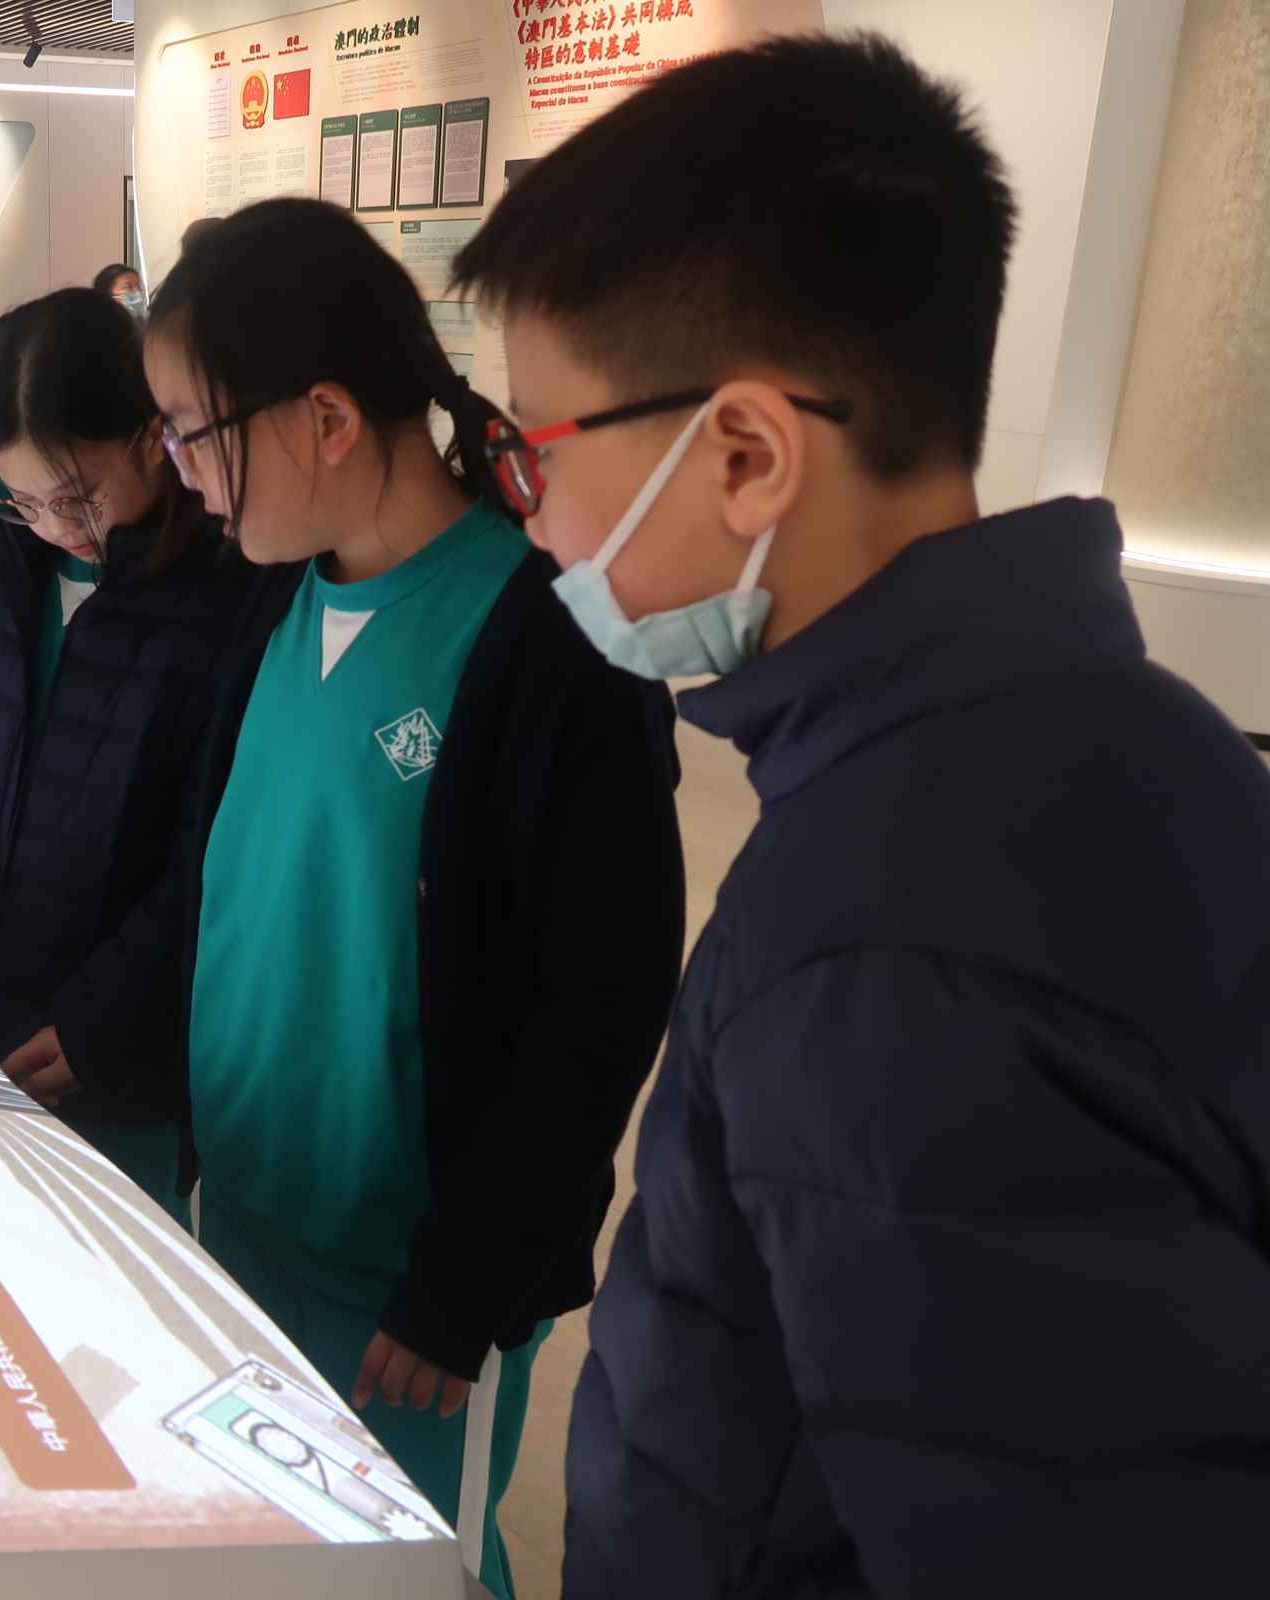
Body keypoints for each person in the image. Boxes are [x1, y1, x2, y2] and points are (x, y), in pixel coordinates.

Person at [452, 33, 1270, 1599]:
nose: (532, 512)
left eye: (535, 451)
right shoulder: (1122, 730)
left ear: (748, 454)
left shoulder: (886, 941)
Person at [143, 197, 685, 1599]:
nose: (181, 476)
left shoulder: (552, 643)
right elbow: (234, 883)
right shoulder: (269, 598)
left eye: (192, 434)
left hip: (411, 1287)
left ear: (325, 418)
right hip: (248, 1211)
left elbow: (600, 1001)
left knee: (408, 1568)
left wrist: (468, 1286)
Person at [0, 287, 260, 1216]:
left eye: (78, 497)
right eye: (23, 499)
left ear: (152, 438)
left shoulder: (223, 598)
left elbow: (209, 850)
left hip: (125, 1042)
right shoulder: (1, 575)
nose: (56, 526)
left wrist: (102, 1021)